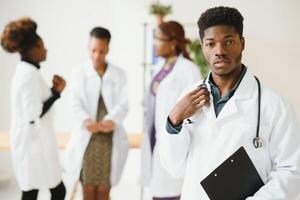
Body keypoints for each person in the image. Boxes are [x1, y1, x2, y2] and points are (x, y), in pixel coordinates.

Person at [159, 6, 300, 200]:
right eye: (210, 44)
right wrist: (174, 119)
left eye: (229, 41)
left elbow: (292, 171)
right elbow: (173, 168)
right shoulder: (188, 98)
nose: (220, 51)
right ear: (202, 47)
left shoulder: (274, 105)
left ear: (242, 43)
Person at [1, 17, 66, 200]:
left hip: (34, 142)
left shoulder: (29, 71)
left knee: (34, 190)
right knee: (44, 191)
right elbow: (33, 113)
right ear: (32, 50)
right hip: (32, 144)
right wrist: (56, 93)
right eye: (41, 46)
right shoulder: (28, 75)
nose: (45, 50)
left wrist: (54, 91)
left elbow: (33, 107)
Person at [64, 27, 129, 200]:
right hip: (88, 137)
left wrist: (111, 121)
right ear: (88, 47)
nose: (97, 55)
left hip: (108, 138)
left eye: (101, 51)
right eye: (93, 50)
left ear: (108, 49)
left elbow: (123, 104)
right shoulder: (79, 72)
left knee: (103, 190)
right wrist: (86, 121)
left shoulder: (119, 74)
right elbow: (74, 102)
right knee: (88, 189)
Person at [140, 21, 201, 200]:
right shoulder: (160, 67)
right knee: (157, 190)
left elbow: (195, 112)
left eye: (158, 39)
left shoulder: (188, 70)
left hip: (173, 141)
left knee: (169, 193)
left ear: (173, 42)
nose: (154, 44)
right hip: (153, 136)